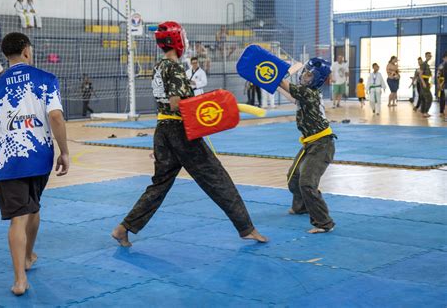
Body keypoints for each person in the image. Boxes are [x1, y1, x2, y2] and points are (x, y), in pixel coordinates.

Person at [111, 21, 267, 247]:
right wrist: (207, 103)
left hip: (163, 130)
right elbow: (176, 103)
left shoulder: (158, 66)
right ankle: (247, 228)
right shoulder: (174, 67)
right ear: (177, 40)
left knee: (160, 184)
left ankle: (122, 228)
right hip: (180, 131)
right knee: (216, 177)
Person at [0, 32, 69, 296]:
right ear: (27, 52)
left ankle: (20, 279)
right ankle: (28, 256)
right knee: (33, 207)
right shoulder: (46, 79)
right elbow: (55, 116)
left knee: (18, 217)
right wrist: (64, 152)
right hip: (40, 156)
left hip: (10, 160)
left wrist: (8, 136)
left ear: (6, 56)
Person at [276, 58, 336, 233]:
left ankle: (324, 223)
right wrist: (271, 82)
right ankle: (301, 206)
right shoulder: (303, 95)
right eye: (304, 73)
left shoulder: (310, 94)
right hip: (310, 144)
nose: (304, 77)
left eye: (309, 75)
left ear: (317, 79)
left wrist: (274, 74)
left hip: (322, 145)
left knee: (307, 183)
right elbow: (289, 93)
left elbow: (289, 88)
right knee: (293, 178)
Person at [419, 52, 433, 118]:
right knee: (429, 98)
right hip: (424, 82)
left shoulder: (427, 64)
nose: (429, 57)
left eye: (430, 56)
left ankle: (424, 112)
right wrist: (424, 83)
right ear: (425, 56)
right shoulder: (423, 64)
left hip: (426, 82)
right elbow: (420, 75)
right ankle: (425, 112)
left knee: (424, 98)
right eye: (428, 56)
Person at [436, 52, 446, 118]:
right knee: (442, 98)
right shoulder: (441, 66)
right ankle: (441, 112)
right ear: (443, 58)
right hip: (443, 82)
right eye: (446, 58)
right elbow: (438, 75)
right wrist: (439, 84)